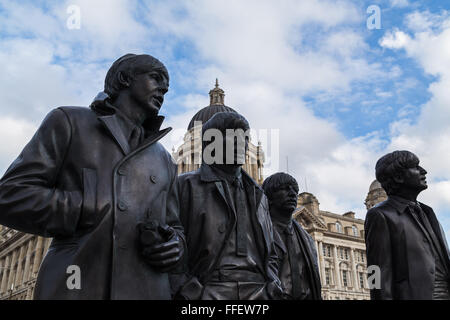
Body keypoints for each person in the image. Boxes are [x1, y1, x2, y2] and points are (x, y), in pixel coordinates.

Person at [0, 53, 185, 299]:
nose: (163, 89)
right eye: (155, 78)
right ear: (124, 78)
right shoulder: (70, 122)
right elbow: (9, 194)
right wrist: (83, 207)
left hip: (147, 290)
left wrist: (174, 245)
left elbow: (175, 225)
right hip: (80, 285)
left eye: (167, 86)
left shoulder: (163, 158)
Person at [175, 112, 282, 300]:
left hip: (259, 293)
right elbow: (170, 241)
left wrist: (272, 284)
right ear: (210, 143)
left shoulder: (261, 197)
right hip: (208, 290)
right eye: (233, 136)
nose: (241, 143)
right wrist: (188, 290)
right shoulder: (183, 186)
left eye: (245, 138)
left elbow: (271, 251)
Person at [365, 150, 450, 300]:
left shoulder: (428, 212)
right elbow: (375, 270)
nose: (424, 171)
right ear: (398, 177)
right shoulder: (380, 215)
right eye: (416, 167)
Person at [262, 172, 321, 300]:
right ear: (269, 196)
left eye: (295, 189)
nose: (292, 193)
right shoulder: (257, 229)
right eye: (284, 188)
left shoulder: (308, 239)